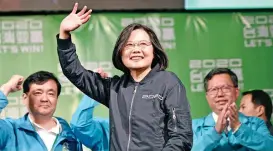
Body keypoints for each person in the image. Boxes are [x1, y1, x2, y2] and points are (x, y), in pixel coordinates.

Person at [56, 3, 193, 151]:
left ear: (155, 51)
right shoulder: (115, 88)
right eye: (129, 45)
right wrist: (64, 35)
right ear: (120, 52)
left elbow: (181, 137)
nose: (136, 50)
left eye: (143, 44)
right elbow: (74, 72)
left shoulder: (168, 83)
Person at [192, 68, 273, 151]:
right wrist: (215, 132)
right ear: (207, 97)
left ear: (236, 92)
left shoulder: (256, 123)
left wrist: (239, 128)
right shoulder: (193, 127)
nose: (220, 94)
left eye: (225, 88)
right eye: (214, 89)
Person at [0, 71, 82, 151]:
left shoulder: (70, 135)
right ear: (25, 98)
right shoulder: (10, 130)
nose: (45, 99)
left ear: (57, 99)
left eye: (51, 94)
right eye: (38, 93)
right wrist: (5, 88)